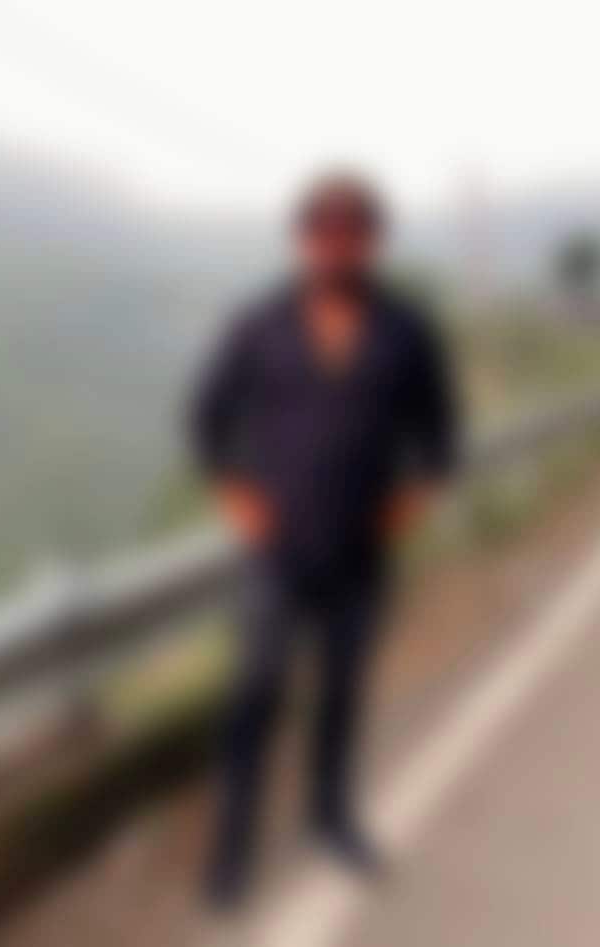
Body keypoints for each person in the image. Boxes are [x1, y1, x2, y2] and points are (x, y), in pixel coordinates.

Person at [190, 171, 458, 906]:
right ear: (303, 240)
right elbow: (207, 418)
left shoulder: (407, 331)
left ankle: (332, 819)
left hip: (361, 559)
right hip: (275, 558)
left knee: (342, 696)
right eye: (323, 232)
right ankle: (232, 851)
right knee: (255, 696)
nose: (337, 245)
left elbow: (440, 436)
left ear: (373, 241)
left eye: (353, 232)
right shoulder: (258, 325)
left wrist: (409, 502)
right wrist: (238, 498)